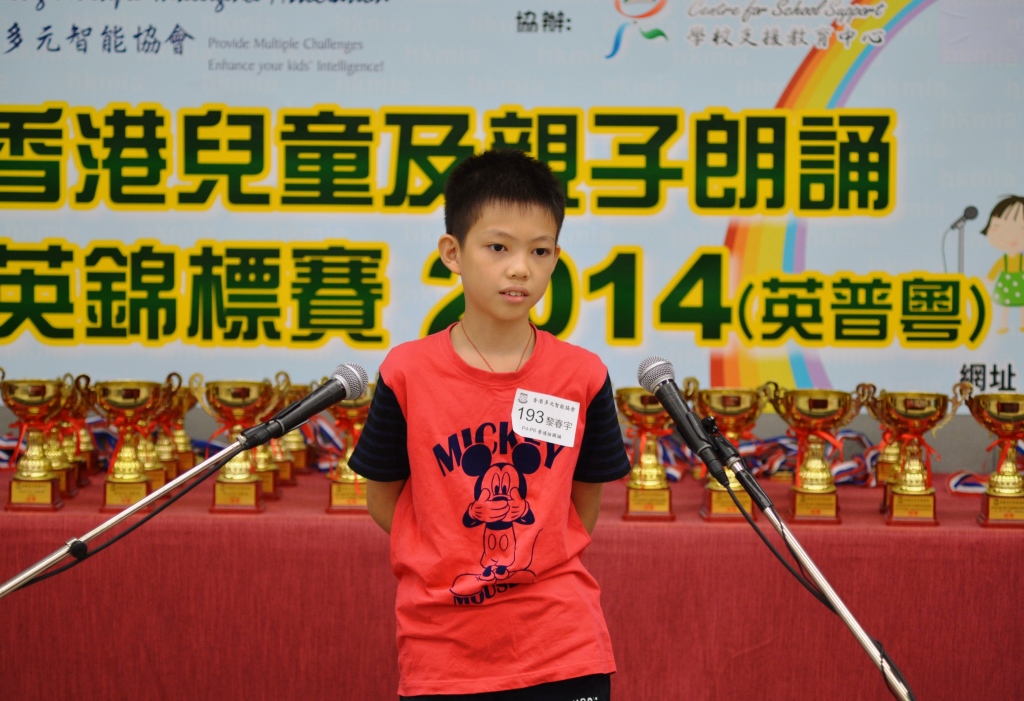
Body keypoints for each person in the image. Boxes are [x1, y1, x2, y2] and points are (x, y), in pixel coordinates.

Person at [349, 149, 631, 701]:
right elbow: (384, 500)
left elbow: (582, 507)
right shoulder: (407, 372)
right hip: (444, 647)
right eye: (498, 247)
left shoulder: (582, 376)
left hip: (563, 647)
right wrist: (451, 546)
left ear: (556, 257)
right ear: (452, 253)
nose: (520, 268)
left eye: (539, 250)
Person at [980, 195, 1024, 333]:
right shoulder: (1003, 259)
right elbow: (996, 269)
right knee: (1004, 306)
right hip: (1006, 284)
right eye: (997, 226)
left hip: (1020, 283)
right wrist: (988, 279)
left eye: (1020, 228)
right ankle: (1003, 325)